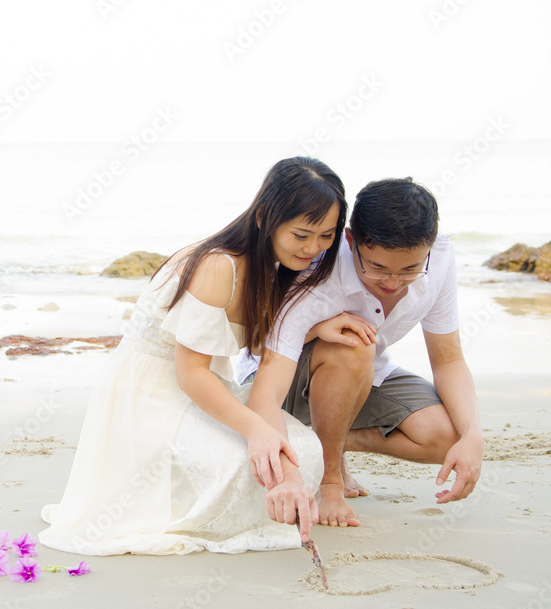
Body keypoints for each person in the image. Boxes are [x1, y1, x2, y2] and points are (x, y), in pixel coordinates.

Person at [39, 156, 346, 556]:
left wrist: (313, 328)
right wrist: (255, 430)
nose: (314, 248)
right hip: (150, 393)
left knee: (301, 453)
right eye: (302, 234)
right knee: (237, 464)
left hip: (200, 386)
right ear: (264, 218)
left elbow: (251, 342)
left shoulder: (272, 267)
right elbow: (190, 373)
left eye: (326, 236)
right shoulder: (219, 266)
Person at [247, 177, 484, 528]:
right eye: (376, 268)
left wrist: (473, 436)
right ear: (350, 240)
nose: (392, 282)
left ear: (430, 248)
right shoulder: (318, 274)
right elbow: (263, 377)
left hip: (363, 379)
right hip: (285, 382)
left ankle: (328, 439)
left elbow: (448, 357)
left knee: (447, 437)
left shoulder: (442, 260)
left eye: (408, 270)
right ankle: (330, 478)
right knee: (356, 346)